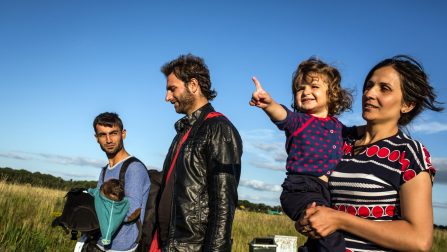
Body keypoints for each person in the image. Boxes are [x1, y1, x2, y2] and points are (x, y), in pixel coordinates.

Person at [297, 55, 444, 251]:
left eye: (384, 88)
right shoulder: (338, 138)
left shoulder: (408, 153)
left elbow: (419, 239)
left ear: (407, 104)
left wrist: (340, 220)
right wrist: (306, 219)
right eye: (369, 85)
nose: (369, 94)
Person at [250, 57, 354, 251]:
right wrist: (268, 103)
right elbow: (281, 114)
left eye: (314, 86)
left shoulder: (341, 129)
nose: (305, 91)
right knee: (331, 236)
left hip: (326, 191)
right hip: (300, 189)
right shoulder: (299, 122)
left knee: (319, 237)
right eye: (300, 88)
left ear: (332, 94)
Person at [156, 54, 243, 251]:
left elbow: (223, 204)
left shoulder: (218, 128)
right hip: (168, 246)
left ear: (193, 85)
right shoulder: (182, 132)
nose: (167, 97)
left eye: (172, 89)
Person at [89, 112, 150, 251]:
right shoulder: (105, 170)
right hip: (100, 244)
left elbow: (132, 211)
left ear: (123, 134)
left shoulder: (134, 168)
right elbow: (98, 201)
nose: (109, 140)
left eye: (113, 133)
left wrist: (99, 214)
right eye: (102, 135)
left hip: (122, 247)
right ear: (96, 138)